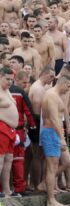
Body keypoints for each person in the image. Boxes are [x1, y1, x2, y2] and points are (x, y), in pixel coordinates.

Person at [40, 75, 70, 206]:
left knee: (67, 162)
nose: (68, 90)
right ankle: (50, 200)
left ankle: (44, 183)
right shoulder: (52, 95)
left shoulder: (55, 94)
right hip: (51, 133)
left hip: (56, 133)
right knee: (52, 167)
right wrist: (62, 138)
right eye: (68, 87)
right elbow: (54, 119)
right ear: (62, 84)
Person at [26, 67, 55, 191]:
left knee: (40, 155)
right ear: (44, 74)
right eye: (51, 77)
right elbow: (38, 111)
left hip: (40, 122)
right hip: (37, 122)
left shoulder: (43, 87)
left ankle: (36, 183)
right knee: (37, 155)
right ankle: (35, 184)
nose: (52, 79)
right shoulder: (38, 88)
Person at [8, 70, 36, 196]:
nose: (26, 85)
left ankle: (5, 189)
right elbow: (28, 110)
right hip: (17, 129)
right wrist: (32, 126)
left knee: (4, 160)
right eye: (24, 82)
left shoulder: (5, 92)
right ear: (16, 79)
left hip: (5, 129)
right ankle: (19, 188)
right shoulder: (20, 92)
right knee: (18, 160)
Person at [0, 67, 18, 198]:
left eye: (12, 80)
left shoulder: (7, 91)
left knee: (8, 159)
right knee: (0, 160)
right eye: (7, 79)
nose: (10, 82)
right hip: (2, 128)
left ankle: (6, 190)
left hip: (11, 129)